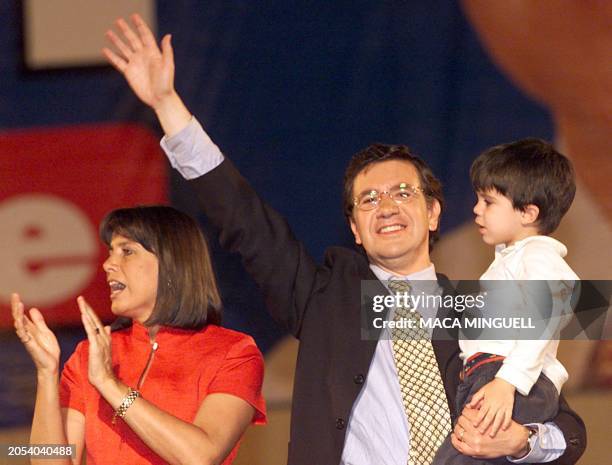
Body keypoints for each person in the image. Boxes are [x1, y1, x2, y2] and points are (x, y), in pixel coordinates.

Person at [103, 14, 586, 465]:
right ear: (354, 228)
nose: (388, 206)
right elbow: (241, 216)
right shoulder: (321, 299)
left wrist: (523, 441)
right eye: (369, 200)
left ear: (435, 212)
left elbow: (570, 429)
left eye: (403, 193)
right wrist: (167, 104)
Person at [11, 206, 266, 465]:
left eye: (127, 251)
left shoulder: (234, 353)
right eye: (111, 252)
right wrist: (46, 373)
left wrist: (110, 384)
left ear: (171, 264)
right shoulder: (90, 354)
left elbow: (200, 456)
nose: (108, 264)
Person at [433, 140, 579, 464]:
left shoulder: (538, 255)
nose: (476, 209)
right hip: (488, 377)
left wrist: (507, 381)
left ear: (528, 212)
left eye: (488, 201)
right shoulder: (510, 259)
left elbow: (552, 308)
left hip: (507, 379)